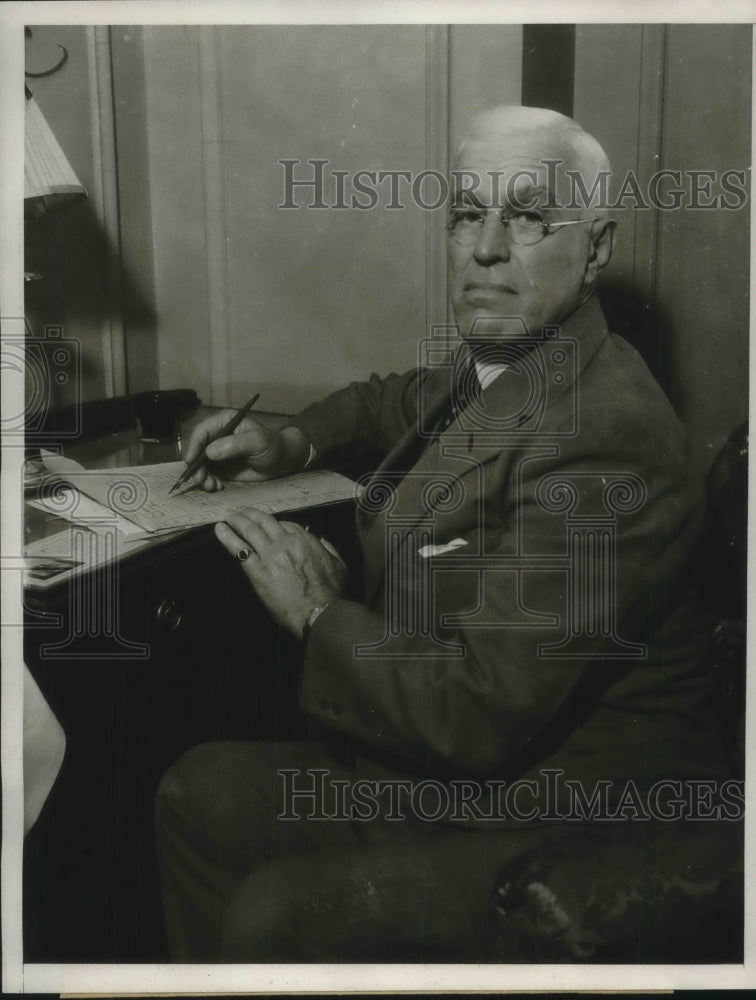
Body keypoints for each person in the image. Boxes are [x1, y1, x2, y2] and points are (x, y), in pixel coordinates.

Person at [155, 106, 731, 962]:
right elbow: (399, 397)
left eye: (530, 217)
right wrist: (288, 441)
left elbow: (481, 710)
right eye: (467, 212)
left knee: (276, 914)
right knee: (195, 791)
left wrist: (321, 614)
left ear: (597, 247)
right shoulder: (526, 353)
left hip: (567, 812)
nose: (487, 247)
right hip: (462, 770)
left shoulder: (609, 434)